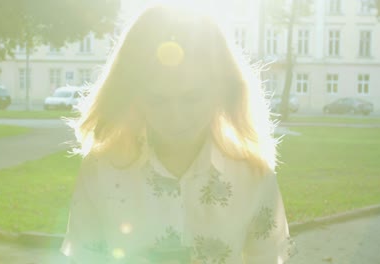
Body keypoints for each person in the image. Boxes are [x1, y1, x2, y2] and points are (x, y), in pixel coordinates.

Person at [61, 3, 297, 264]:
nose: (176, 117)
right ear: (135, 98)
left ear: (220, 92)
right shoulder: (101, 168)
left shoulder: (253, 172)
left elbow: (268, 258)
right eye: (158, 100)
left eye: (193, 98)